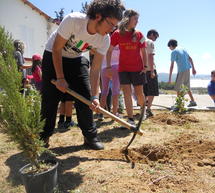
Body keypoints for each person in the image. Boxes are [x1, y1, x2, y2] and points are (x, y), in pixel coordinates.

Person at [40, 0, 125, 150]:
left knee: (86, 99)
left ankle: (90, 137)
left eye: (115, 26)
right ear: (98, 16)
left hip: (76, 60)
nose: (112, 29)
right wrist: (60, 78)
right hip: (53, 55)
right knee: (50, 100)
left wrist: (95, 97)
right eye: (110, 24)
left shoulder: (104, 39)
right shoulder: (73, 21)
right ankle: (43, 138)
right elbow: (57, 48)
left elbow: (95, 68)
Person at [106, 9, 147, 126]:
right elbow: (109, 51)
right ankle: (130, 118)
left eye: (137, 20)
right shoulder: (117, 34)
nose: (137, 22)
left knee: (139, 93)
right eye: (135, 19)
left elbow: (143, 51)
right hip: (123, 69)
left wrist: (145, 66)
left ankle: (143, 113)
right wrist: (108, 66)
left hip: (138, 69)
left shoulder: (139, 34)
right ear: (127, 19)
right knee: (127, 93)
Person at [168, 39, 197, 107]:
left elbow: (172, 66)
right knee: (187, 87)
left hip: (181, 70)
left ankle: (179, 104)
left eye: (169, 47)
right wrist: (193, 68)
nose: (169, 49)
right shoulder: (184, 49)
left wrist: (169, 78)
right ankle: (193, 101)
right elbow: (190, 59)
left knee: (178, 87)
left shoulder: (174, 52)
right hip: (188, 69)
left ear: (171, 45)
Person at [99, 42, 120, 121]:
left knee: (104, 91)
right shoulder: (118, 44)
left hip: (104, 67)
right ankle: (114, 114)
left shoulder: (104, 43)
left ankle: (101, 114)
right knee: (116, 91)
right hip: (116, 67)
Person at [144, 29, 159, 118]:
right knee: (152, 91)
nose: (156, 39)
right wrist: (152, 71)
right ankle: (148, 109)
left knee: (143, 91)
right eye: (156, 36)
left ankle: (143, 110)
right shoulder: (150, 42)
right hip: (149, 69)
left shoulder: (141, 41)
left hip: (141, 69)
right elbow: (150, 56)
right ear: (152, 34)